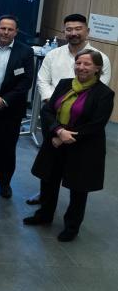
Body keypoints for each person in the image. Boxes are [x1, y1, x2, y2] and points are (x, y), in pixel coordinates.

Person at [24, 50, 114, 241]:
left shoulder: (104, 94)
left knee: (78, 189)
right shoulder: (65, 84)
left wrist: (66, 136)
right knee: (48, 180)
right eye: (78, 63)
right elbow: (47, 111)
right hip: (56, 140)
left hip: (83, 147)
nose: (81, 67)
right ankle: (44, 215)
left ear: (97, 68)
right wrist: (58, 131)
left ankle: (71, 227)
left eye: (87, 64)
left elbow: (96, 124)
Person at [29, 13, 112, 205]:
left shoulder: (101, 58)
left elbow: (100, 91)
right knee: (49, 169)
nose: (73, 33)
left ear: (87, 31)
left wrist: (66, 130)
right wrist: (53, 102)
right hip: (55, 119)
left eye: (78, 29)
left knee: (77, 176)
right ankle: (45, 200)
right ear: (64, 31)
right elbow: (43, 79)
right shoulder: (53, 55)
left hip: (81, 126)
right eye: (69, 29)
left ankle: (72, 222)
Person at [0, 15, 34, 199]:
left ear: (16, 32)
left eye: (10, 29)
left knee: (7, 149)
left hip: (10, 111)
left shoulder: (25, 52)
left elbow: (26, 82)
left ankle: (4, 183)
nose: (6, 32)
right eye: (3, 28)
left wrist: (4, 100)